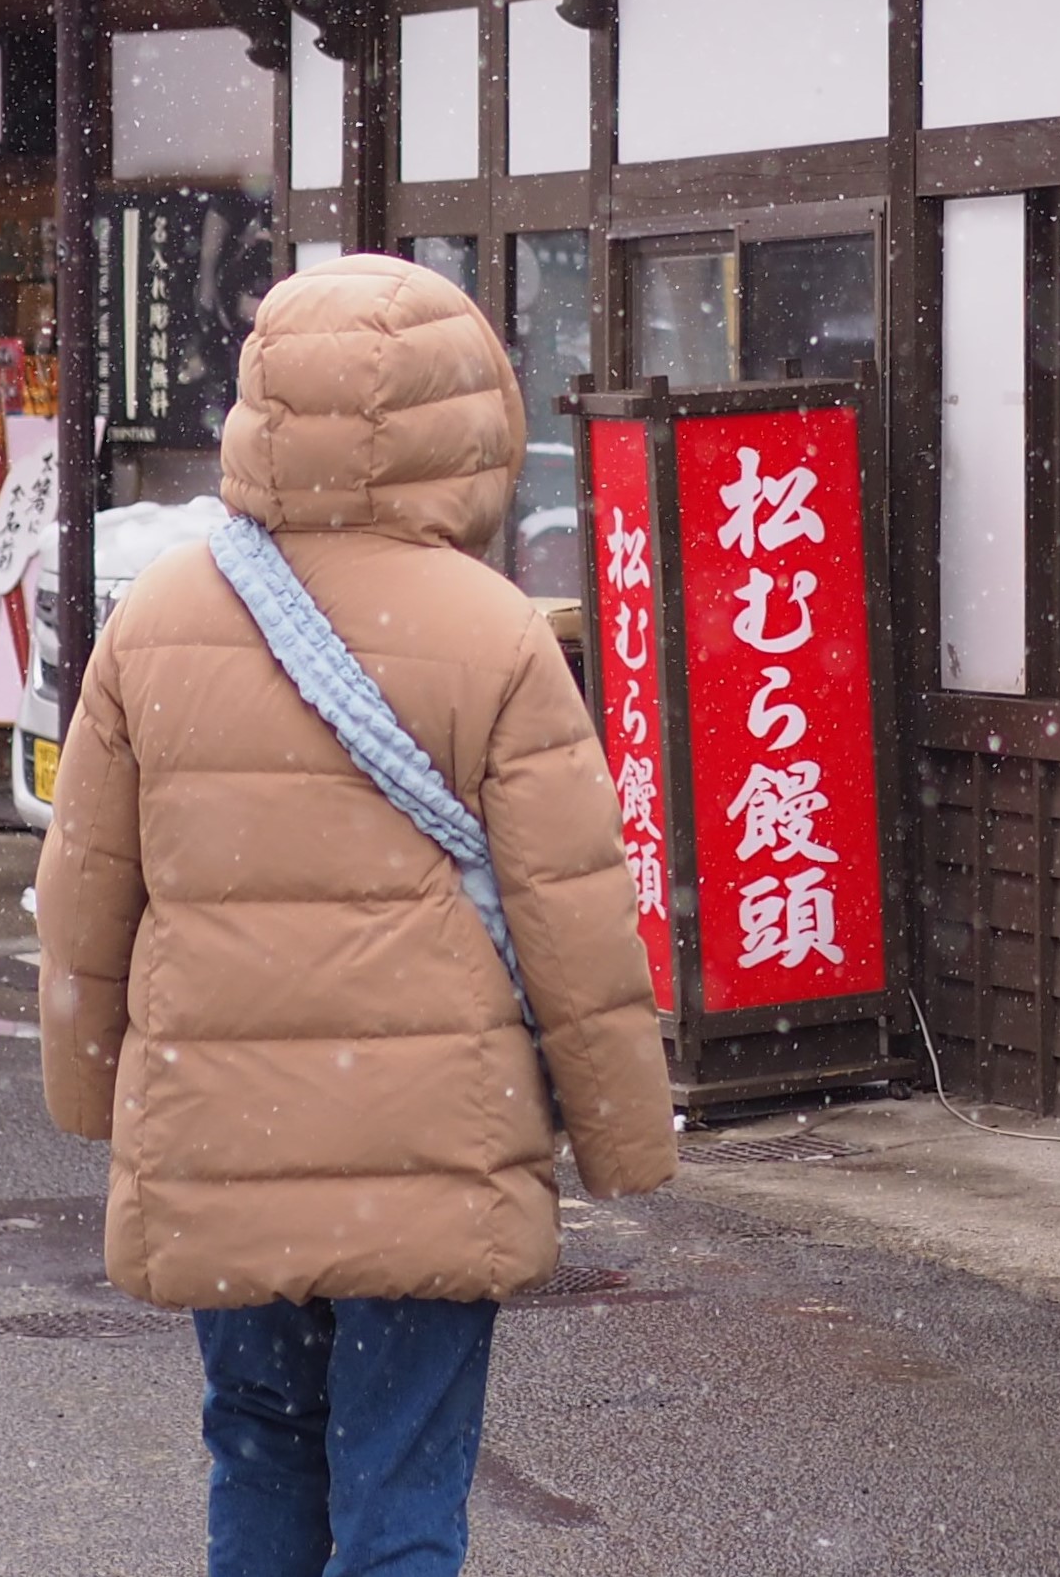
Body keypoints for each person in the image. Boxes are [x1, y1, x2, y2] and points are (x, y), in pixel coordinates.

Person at [35, 256, 675, 1577]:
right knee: (403, 1483)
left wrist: (96, 1092)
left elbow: (87, 893)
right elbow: (573, 918)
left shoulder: (156, 619)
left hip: (222, 1123)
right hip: (433, 1133)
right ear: (467, 421)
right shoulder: (496, 636)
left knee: (260, 1447)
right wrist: (620, 1135)